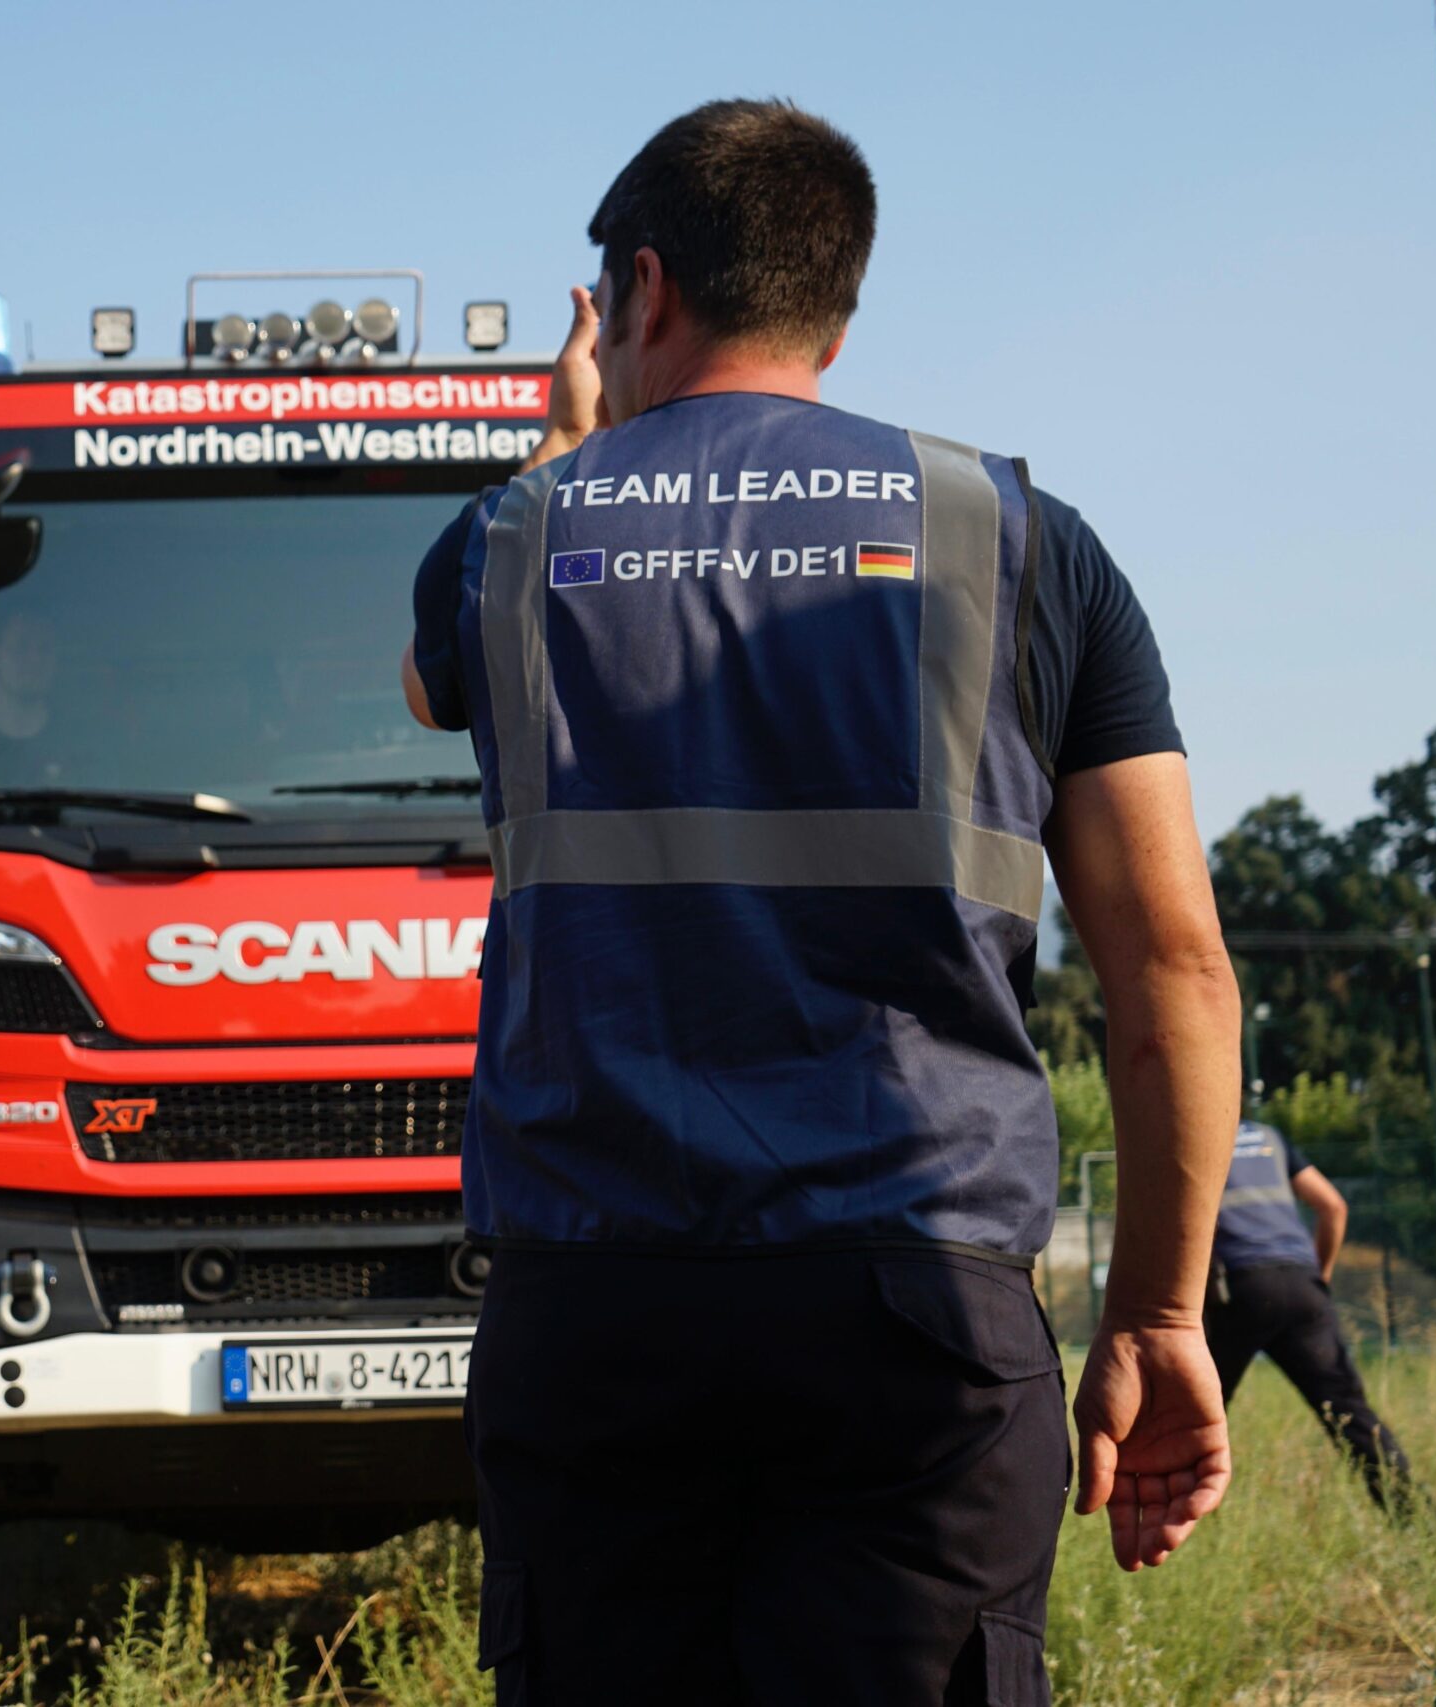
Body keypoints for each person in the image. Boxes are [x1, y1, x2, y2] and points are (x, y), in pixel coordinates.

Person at [403, 101, 1242, 1703]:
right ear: (838, 314)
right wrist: (1156, 1309)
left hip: (599, 1298)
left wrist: (575, 447)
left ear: (640, 290)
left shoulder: (514, 539)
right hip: (916, 1309)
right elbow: (1178, 974)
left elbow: (428, 682)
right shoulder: (1022, 541)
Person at [1204, 1122, 1416, 1507]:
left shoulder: (1196, 1132)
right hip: (1303, 1284)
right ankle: (1418, 1521)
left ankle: (1177, 1519)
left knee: (1197, 1408)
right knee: (1350, 1415)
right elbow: (1333, 1206)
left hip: (1240, 1287)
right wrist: (1321, 1275)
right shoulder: (1270, 1136)